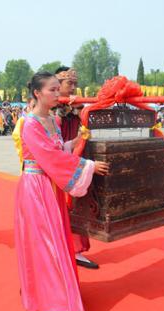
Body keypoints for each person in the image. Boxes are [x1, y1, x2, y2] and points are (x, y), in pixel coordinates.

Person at [13, 71, 109, 311]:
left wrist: (77, 140)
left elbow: (59, 149)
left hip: (51, 187)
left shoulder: (54, 120)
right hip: (36, 188)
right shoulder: (29, 123)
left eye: (58, 89)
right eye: (52, 90)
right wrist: (87, 165)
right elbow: (50, 158)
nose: (58, 94)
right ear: (37, 93)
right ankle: (56, 302)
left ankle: (56, 293)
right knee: (46, 242)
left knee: (57, 239)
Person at [54, 66, 99, 269]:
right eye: (68, 83)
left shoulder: (75, 106)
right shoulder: (51, 110)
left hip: (73, 159)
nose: (73, 87)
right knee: (62, 207)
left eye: (75, 83)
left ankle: (75, 249)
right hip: (57, 164)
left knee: (76, 206)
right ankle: (63, 249)